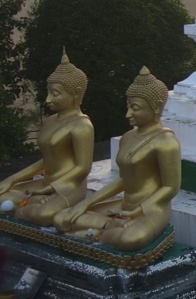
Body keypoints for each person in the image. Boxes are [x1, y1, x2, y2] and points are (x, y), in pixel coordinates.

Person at [55, 67, 181, 252]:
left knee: (131, 239)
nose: (128, 114)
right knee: (62, 218)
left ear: (156, 106)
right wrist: (85, 204)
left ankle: (98, 232)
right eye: (128, 106)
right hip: (123, 206)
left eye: (135, 108)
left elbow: (170, 187)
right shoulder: (128, 137)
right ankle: (110, 227)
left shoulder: (166, 142)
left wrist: (139, 210)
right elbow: (123, 180)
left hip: (151, 210)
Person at [0, 51, 94, 226]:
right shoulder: (51, 121)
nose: (48, 99)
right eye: (48, 92)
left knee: (42, 215)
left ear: (76, 93)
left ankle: (26, 208)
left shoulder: (82, 126)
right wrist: (12, 179)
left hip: (69, 186)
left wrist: (51, 189)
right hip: (45, 181)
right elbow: (47, 161)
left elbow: (82, 168)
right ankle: (25, 206)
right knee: (2, 196)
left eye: (55, 93)